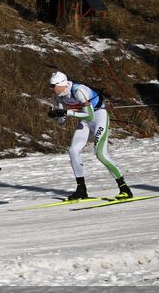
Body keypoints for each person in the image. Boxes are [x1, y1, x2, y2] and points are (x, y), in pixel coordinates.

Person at [48, 72, 133, 201]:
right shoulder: (60, 96)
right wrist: (56, 114)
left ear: (61, 84)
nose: (51, 88)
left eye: (52, 85)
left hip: (99, 117)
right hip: (85, 121)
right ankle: (81, 190)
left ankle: (124, 188)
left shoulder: (78, 91)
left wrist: (67, 112)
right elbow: (62, 120)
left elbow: (90, 116)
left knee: (100, 154)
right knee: (73, 150)